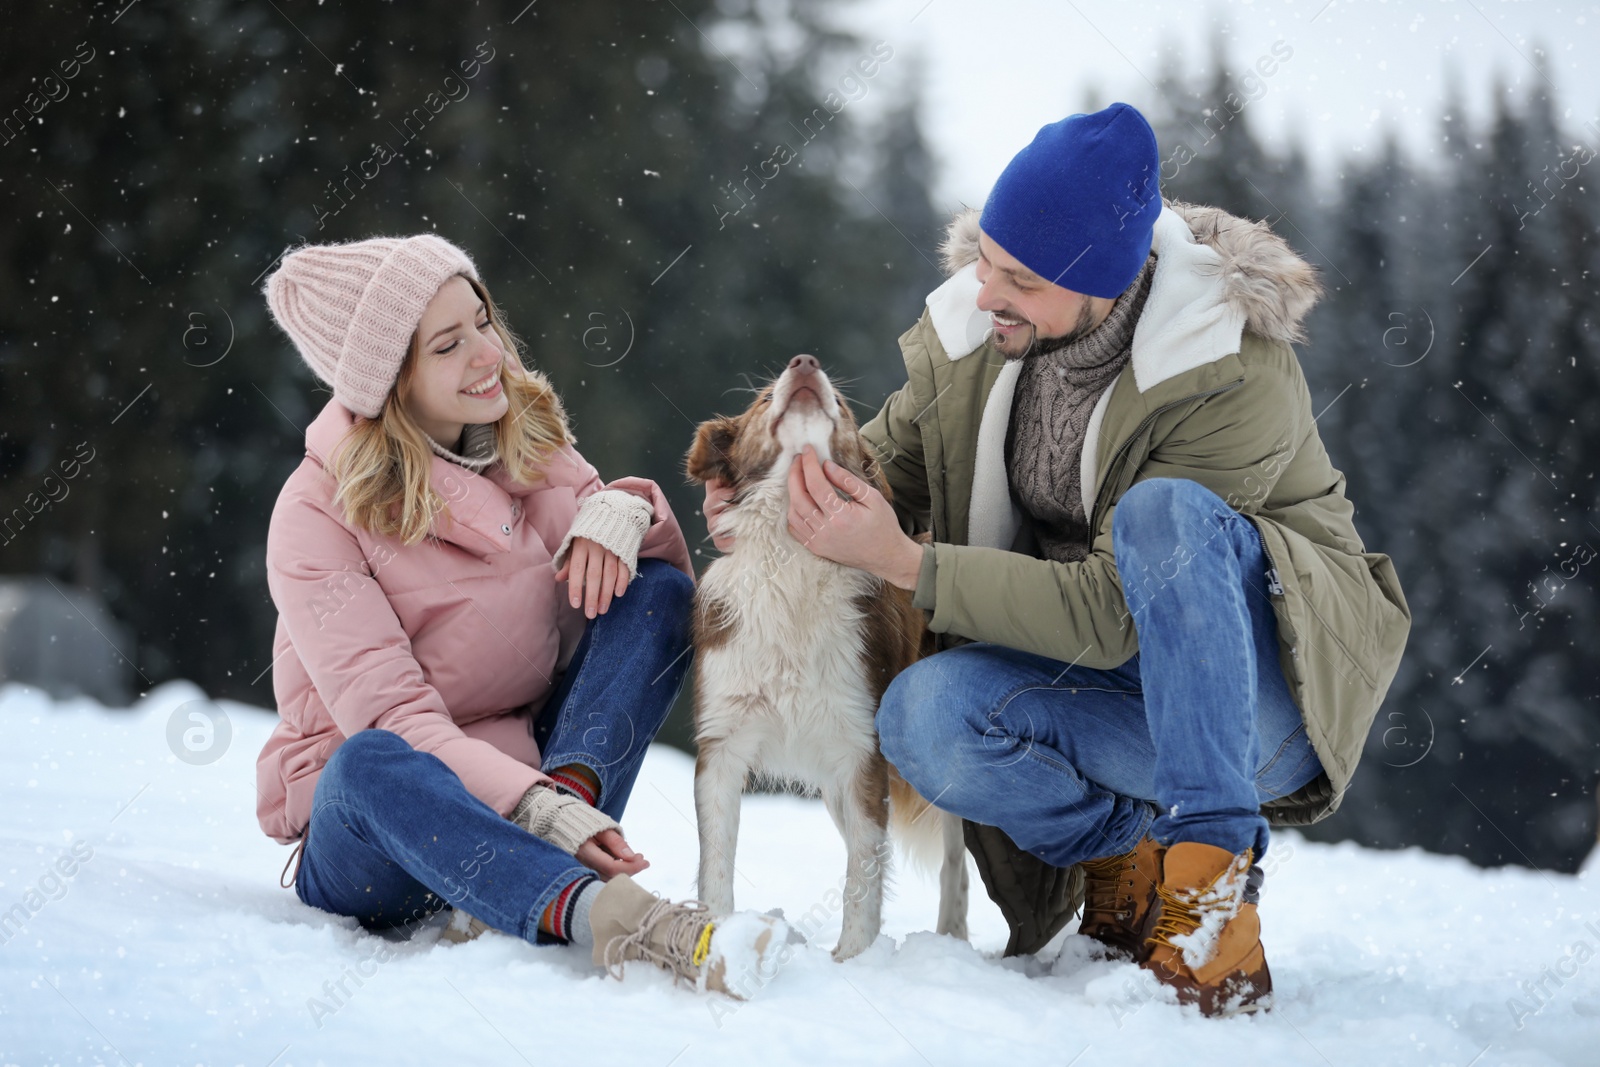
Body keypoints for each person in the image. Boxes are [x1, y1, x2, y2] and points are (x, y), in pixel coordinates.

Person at [705, 102, 1410, 1015]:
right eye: (986, 261)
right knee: (922, 715)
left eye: (1019, 279)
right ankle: (1126, 856)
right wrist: (775, 496)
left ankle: (1211, 904)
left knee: (1163, 518)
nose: (986, 291)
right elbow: (889, 469)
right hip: (1112, 699)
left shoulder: (1228, 370)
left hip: (1264, 706)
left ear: (1102, 284)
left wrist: (911, 567)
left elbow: (1116, 609)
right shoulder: (983, 332)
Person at [258, 234, 784, 995]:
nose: (488, 354)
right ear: (390, 384)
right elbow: (397, 717)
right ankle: (614, 915)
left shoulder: (527, 441)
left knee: (657, 596)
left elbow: (656, 615)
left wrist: (625, 510)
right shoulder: (314, 515)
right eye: (448, 344)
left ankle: (542, 842)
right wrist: (532, 808)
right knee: (369, 758)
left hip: (530, 781)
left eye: (482, 320)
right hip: (382, 831)